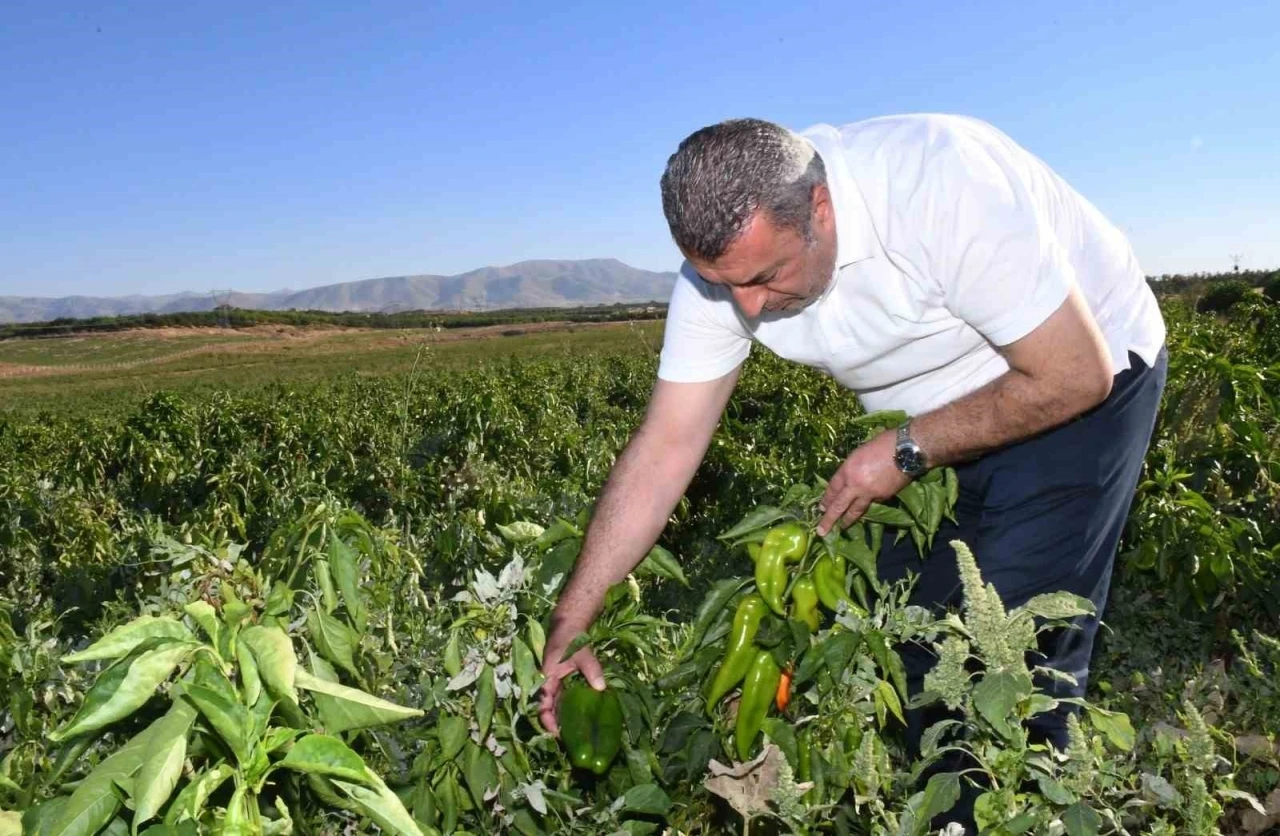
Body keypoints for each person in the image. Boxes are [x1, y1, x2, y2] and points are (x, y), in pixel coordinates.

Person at [537, 112, 1167, 818]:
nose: (746, 305)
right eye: (724, 284)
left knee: (1001, 657)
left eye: (765, 276)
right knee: (905, 633)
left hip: (1081, 380)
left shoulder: (939, 185)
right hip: (932, 415)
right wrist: (574, 616)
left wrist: (908, 449)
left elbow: (1075, 375)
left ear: (821, 208)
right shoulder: (723, 281)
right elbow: (665, 449)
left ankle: (1005, 810)